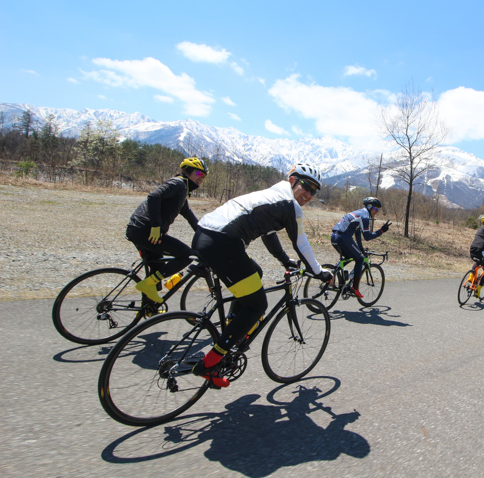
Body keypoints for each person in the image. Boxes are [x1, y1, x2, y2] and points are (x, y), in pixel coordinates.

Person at [191, 163, 333, 388]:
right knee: (256, 306)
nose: (308, 194)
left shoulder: (273, 195)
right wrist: (319, 272)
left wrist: (285, 261)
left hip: (205, 235)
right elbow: (300, 242)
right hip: (222, 243)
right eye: (306, 186)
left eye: (314, 191)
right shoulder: (288, 204)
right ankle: (209, 364)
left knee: (255, 272)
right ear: (292, 181)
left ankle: (232, 326)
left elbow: (269, 234)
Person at [126, 157, 208, 304]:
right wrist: (156, 226)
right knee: (186, 255)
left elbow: (191, 218)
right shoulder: (178, 184)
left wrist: (206, 235)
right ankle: (147, 286)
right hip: (145, 230)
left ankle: (148, 307)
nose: (201, 178)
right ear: (186, 171)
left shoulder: (183, 193)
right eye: (199, 173)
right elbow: (153, 196)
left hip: (138, 229)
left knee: (158, 268)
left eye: (204, 176)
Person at [330, 197, 391, 299]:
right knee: (360, 259)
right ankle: (354, 288)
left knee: (351, 256)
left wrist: (361, 248)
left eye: (378, 210)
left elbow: (358, 233)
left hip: (334, 236)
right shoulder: (365, 217)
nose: (376, 212)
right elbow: (367, 237)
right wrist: (381, 231)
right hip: (344, 237)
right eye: (375, 209)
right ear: (369, 207)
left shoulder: (359, 213)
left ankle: (333, 273)